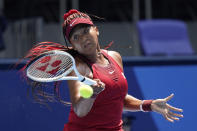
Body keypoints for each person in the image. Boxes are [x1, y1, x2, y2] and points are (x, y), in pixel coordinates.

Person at [21, 9, 183, 131]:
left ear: (96, 30)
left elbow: (116, 97)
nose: (83, 38)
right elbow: (79, 109)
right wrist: (91, 94)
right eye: (76, 37)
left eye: (85, 31)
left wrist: (149, 104)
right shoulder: (78, 67)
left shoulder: (114, 57)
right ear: (73, 45)